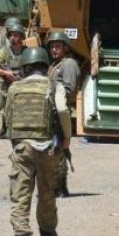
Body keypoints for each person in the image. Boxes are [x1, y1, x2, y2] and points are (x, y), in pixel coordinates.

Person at [6, 47, 69, 236]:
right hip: (48, 149)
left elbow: (8, 119)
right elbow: (62, 110)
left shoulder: (14, 87)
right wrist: (67, 139)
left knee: (20, 198)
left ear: (25, 67)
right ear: (45, 66)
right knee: (47, 196)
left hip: (22, 148)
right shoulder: (54, 85)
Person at [46, 31, 81, 196]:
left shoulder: (69, 64)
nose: (54, 50)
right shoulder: (55, 65)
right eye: (52, 47)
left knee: (58, 150)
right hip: (51, 111)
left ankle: (60, 187)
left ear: (65, 48)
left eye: (57, 47)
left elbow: (69, 89)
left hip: (59, 112)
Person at [0, 22, 26, 139]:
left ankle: (4, 129)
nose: (13, 38)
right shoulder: (4, 51)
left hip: (19, 84)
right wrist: (6, 73)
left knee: (11, 108)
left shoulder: (26, 52)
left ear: (21, 37)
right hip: (3, 84)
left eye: (16, 35)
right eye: (11, 35)